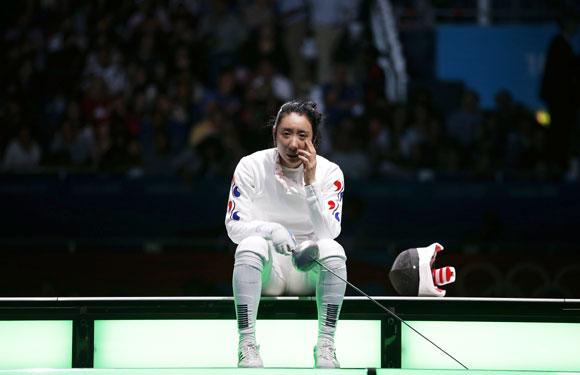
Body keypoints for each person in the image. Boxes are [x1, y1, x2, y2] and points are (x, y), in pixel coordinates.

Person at [225, 100, 347, 368]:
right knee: (250, 245)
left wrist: (310, 182)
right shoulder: (250, 166)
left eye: (302, 135)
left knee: (335, 251)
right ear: (274, 135)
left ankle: (326, 345)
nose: (293, 144)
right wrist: (272, 230)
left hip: (308, 274)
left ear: (313, 139)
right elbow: (233, 227)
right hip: (270, 272)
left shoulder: (330, 173)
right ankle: (247, 344)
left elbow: (329, 232)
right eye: (286, 134)